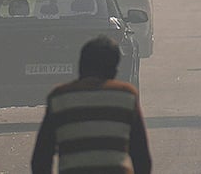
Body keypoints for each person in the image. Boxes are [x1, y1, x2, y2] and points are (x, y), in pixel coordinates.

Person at [31, 36, 151, 174]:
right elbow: (141, 155)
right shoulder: (126, 96)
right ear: (114, 70)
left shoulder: (60, 97)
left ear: (81, 65)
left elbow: (42, 157)